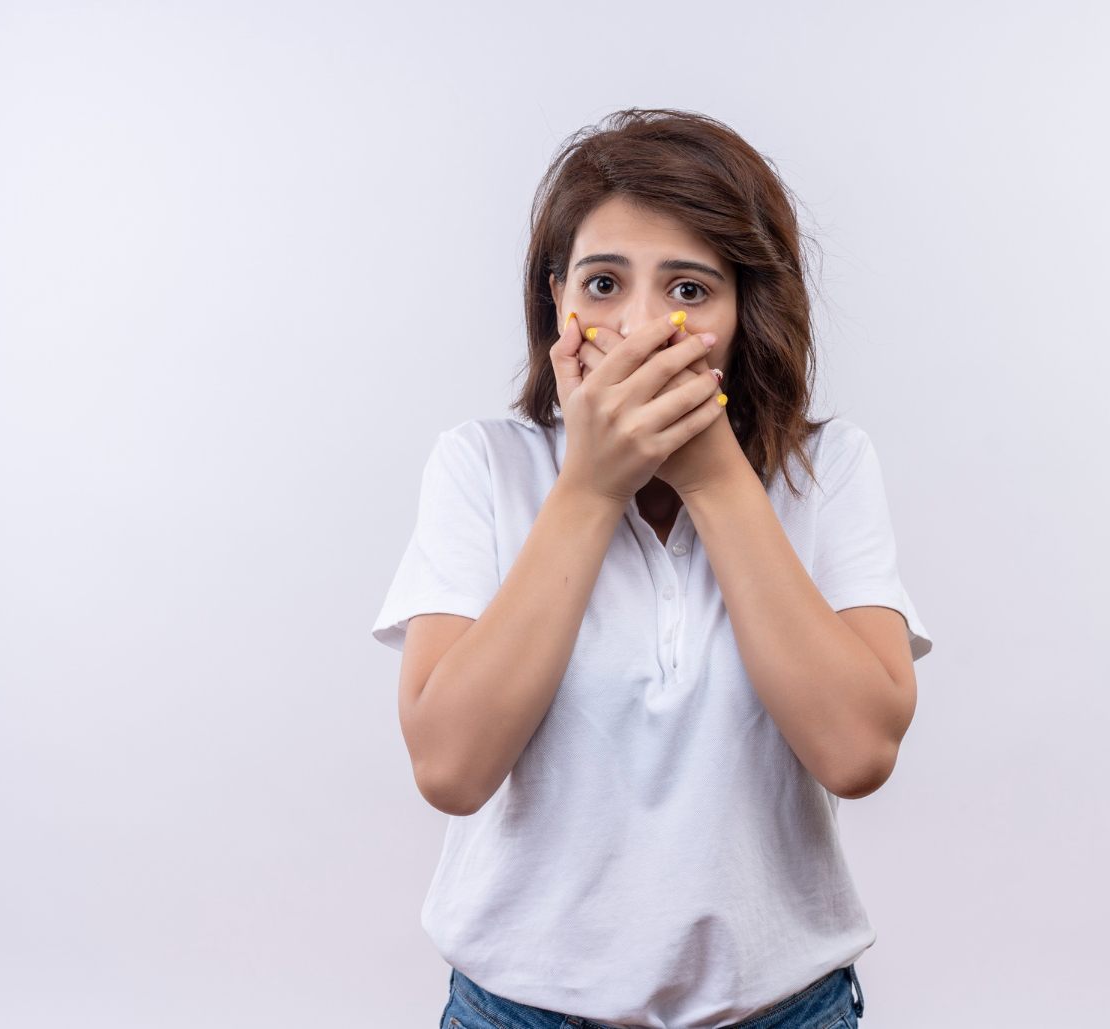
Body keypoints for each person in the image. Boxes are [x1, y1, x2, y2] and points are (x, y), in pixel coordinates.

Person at [373, 109, 931, 1029]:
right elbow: (451, 766)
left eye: (689, 289)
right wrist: (591, 489)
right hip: (518, 1011)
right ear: (558, 302)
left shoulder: (825, 472)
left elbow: (857, 750)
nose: (640, 327)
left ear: (744, 309)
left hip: (785, 1010)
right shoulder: (483, 466)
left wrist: (713, 477)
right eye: (603, 283)